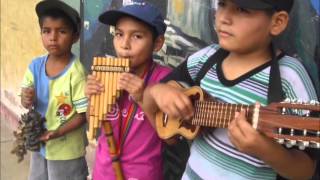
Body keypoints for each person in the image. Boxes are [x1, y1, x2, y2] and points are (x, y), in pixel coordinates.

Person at [142, 0, 319, 179]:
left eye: (242, 9)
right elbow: (149, 99)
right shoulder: (205, 58)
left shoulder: (290, 77)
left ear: (277, 22)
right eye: (222, 4)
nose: (223, 17)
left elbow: (305, 172)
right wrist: (158, 92)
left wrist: (267, 151)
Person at [84, 1, 171, 180]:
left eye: (137, 36)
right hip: (103, 172)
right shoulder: (105, 74)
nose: (124, 45)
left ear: (157, 43)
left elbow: (170, 138)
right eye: (119, 34)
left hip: (143, 174)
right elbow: (94, 125)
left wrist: (142, 97)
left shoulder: (165, 81)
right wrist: (92, 102)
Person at [20, 0, 88, 179]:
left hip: (67, 151)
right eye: (46, 31)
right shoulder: (35, 66)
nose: (53, 37)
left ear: (75, 37)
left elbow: (83, 115)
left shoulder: (76, 73)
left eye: (62, 31)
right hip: (40, 145)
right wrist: (27, 99)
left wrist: (57, 132)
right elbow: (26, 103)